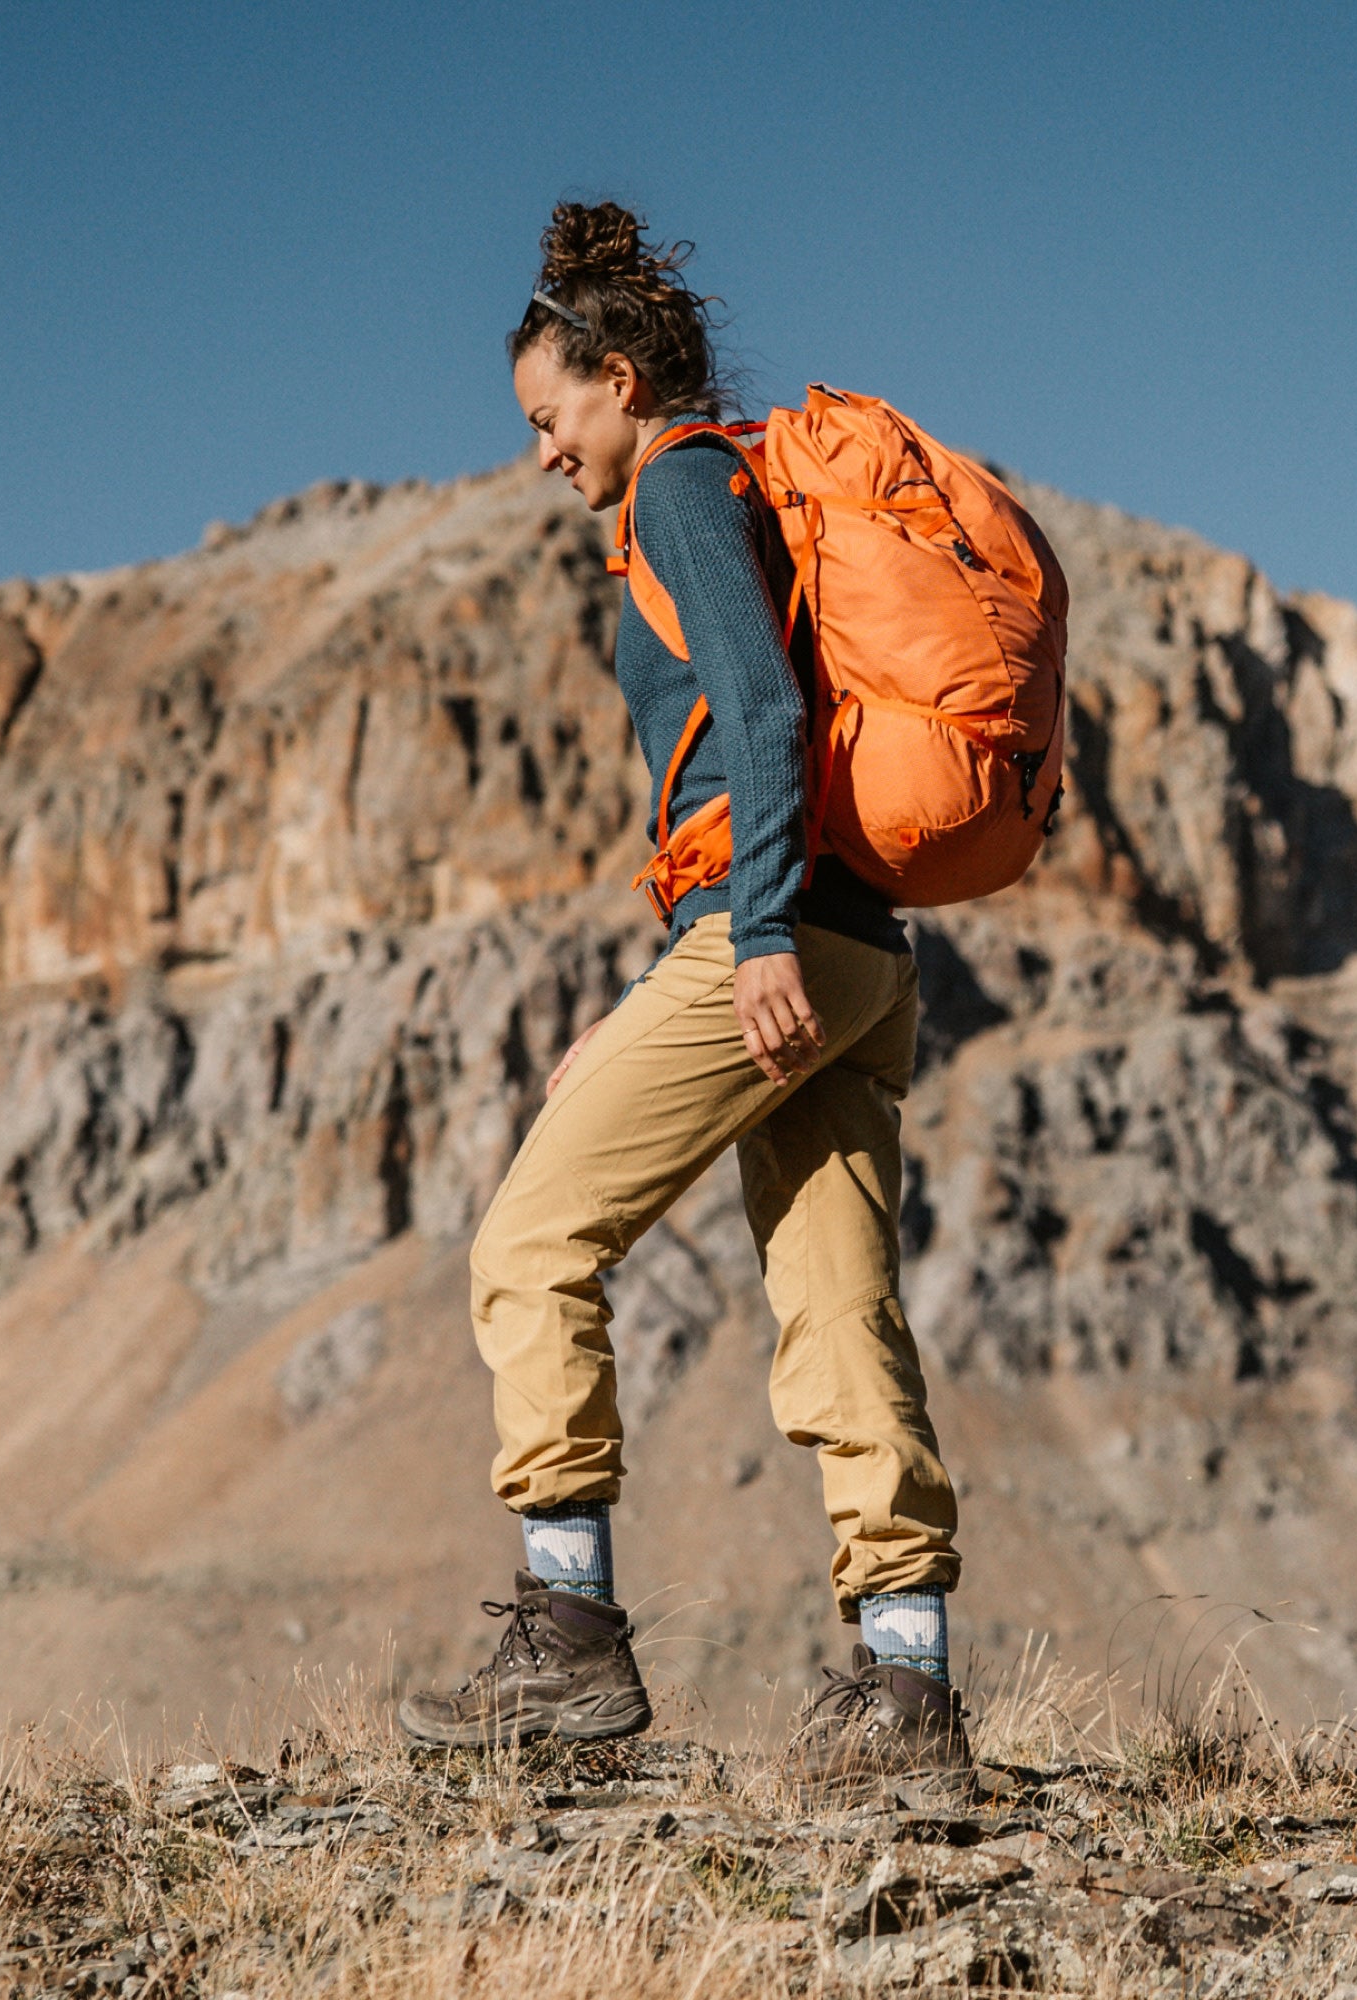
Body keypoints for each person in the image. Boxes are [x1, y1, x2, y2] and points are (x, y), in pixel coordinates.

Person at [396, 201, 969, 1790]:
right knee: (840, 1304)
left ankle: (568, 1644)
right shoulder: (712, 482)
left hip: (782, 939)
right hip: (857, 951)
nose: (539, 454)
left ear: (621, 377)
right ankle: (908, 1694)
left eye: (547, 416)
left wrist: (753, 934)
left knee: (530, 1238)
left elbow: (765, 718)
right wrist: (720, 952)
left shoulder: (689, 486)